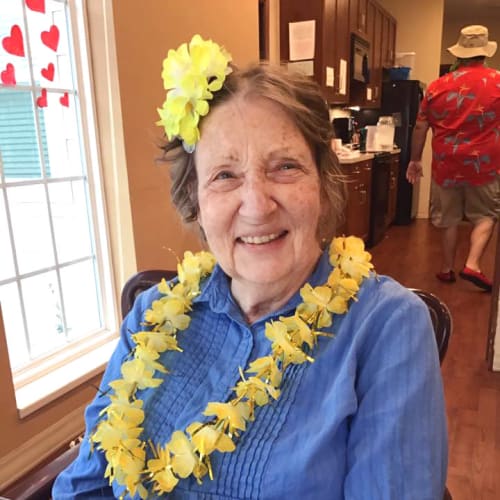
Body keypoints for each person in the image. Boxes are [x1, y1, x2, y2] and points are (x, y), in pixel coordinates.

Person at [53, 35, 447, 499]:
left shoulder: (387, 327)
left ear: (322, 184)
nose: (257, 205)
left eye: (284, 167)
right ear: (194, 202)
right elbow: (86, 485)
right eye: (224, 175)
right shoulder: (150, 316)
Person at [407, 25, 500, 292]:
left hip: (446, 164)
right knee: (486, 215)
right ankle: (472, 263)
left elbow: (421, 126)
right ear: (484, 54)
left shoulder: (437, 86)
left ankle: (447, 269)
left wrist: (415, 160)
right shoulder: (497, 81)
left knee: (448, 218)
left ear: (460, 54)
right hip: (485, 164)